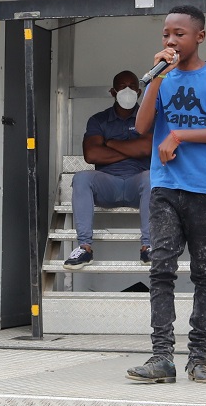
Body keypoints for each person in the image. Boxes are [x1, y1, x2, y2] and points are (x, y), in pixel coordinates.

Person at [126, 5, 206, 385]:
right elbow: (142, 126)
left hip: (204, 189)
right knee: (161, 268)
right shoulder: (161, 77)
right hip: (165, 187)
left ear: (200, 37)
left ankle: (198, 358)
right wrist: (157, 78)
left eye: (179, 34)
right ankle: (162, 356)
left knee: (203, 273)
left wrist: (178, 135)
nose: (171, 40)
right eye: (166, 34)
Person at [64, 70, 152, 270]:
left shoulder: (149, 118)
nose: (127, 91)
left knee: (152, 178)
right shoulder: (99, 120)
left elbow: (146, 148)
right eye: (122, 87)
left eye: (132, 87)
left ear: (139, 92)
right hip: (107, 184)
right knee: (81, 178)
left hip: (138, 184)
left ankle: (148, 247)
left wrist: (110, 143)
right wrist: (132, 150)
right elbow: (91, 155)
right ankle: (84, 248)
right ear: (113, 92)